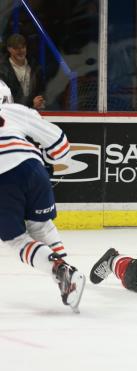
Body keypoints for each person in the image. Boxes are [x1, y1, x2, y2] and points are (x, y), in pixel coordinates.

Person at [0, 80, 85, 311]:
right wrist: (48, 159)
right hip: (32, 168)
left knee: (16, 239)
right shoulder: (16, 110)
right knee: (42, 227)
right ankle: (67, 276)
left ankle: (60, 270)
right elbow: (60, 148)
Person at [0, 33, 46, 110]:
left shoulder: (35, 67)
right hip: (13, 115)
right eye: (16, 48)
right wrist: (31, 104)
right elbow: (5, 99)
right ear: (9, 49)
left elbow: (41, 89)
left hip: (34, 114)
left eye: (23, 47)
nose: (20, 51)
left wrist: (40, 101)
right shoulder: (2, 70)